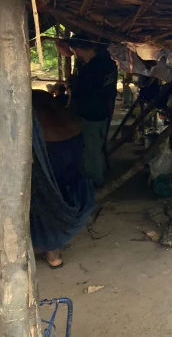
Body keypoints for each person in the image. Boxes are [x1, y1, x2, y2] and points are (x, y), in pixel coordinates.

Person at [31, 90, 95, 268]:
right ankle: (54, 250)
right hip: (74, 139)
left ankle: (52, 251)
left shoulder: (22, 102)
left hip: (51, 146)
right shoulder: (43, 97)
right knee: (63, 187)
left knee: (44, 195)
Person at [68, 33, 118, 188]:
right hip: (105, 112)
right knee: (98, 146)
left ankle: (97, 183)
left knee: (91, 151)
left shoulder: (88, 70)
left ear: (78, 49)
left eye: (74, 51)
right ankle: (102, 172)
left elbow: (78, 95)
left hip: (90, 115)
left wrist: (70, 87)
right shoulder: (110, 65)